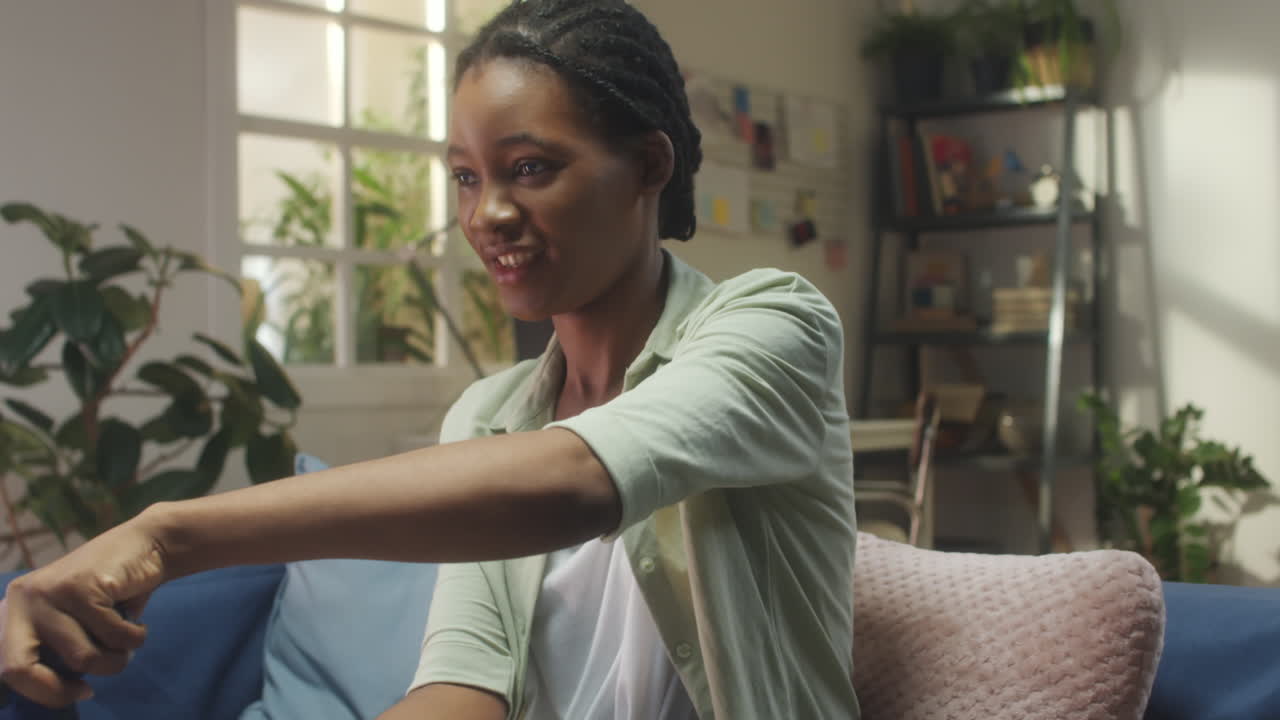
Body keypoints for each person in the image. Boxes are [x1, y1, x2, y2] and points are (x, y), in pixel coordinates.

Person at [0, 1, 859, 717]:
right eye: (465, 178)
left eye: (528, 168)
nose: (488, 214)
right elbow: (466, 687)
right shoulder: (486, 415)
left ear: (648, 164)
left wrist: (166, 534)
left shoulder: (774, 326)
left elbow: (577, 483)